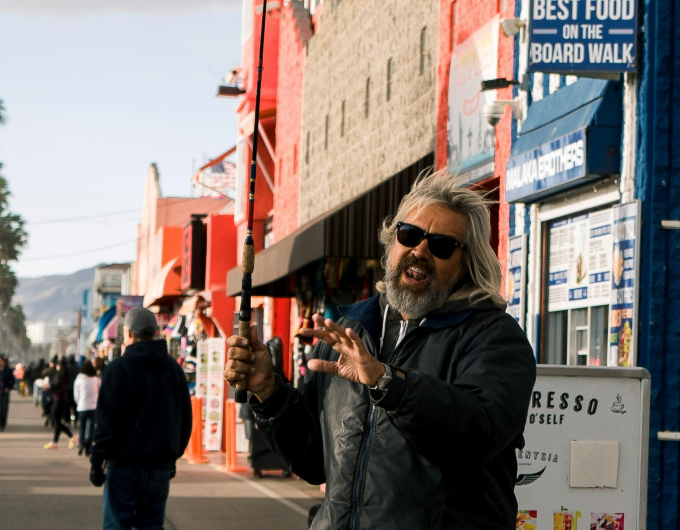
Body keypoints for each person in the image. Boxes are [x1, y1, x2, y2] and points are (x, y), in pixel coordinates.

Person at [225, 171, 537, 529]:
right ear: (392, 243)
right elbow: (314, 460)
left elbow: (479, 431)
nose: (419, 250)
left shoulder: (494, 337)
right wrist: (269, 392)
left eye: (441, 245)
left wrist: (387, 383)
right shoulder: (353, 329)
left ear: (466, 264)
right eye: (410, 235)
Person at [90, 307, 192, 530]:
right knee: (152, 525)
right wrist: (173, 455)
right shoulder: (173, 370)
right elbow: (185, 419)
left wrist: (97, 462)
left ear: (128, 333)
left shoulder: (118, 369)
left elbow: (106, 423)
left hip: (123, 465)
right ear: (155, 332)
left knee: (117, 525)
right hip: (159, 466)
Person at [44, 359, 75, 449]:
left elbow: (57, 389)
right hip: (61, 400)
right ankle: (55, 441)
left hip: (58, 400)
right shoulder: (63, 376)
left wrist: (48, 388)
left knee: (55, 421)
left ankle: (71, 437)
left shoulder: (60, 377)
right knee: (56, 421)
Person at [73, 360, 100, 456]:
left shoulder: (79, 379)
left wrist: (79, 402)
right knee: (91, 429)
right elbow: (100, 392)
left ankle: (81, 444)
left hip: (82, 407)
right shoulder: (96, 379)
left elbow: (76, 395)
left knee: (82, 428)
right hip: (93, 407)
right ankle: (88, 447)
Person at [0, 356, 15, 430]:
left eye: (0, 361)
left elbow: (12, 380)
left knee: (3, 408)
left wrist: (8, 387)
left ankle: (2, 423)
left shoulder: (8, 370)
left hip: (4, 392)